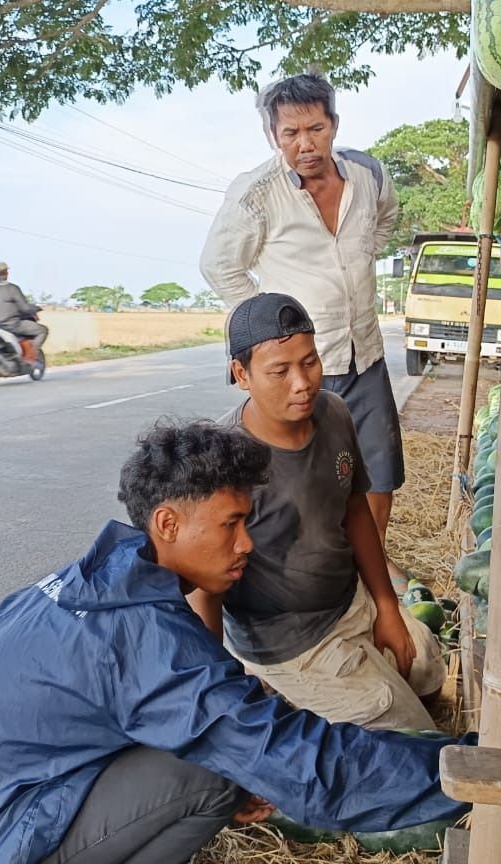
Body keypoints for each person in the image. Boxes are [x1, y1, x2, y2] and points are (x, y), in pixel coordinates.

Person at [0, 421, 501, 864]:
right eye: (230, 524)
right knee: (214, 776)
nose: (247, 543)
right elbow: (318, 771)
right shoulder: (140, 635)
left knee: (222, 756)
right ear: (167, 525)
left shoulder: (93, 580)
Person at [189, 292, 441, 731]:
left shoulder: (334, 412)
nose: (302, 383)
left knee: (427, 670)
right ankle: (282, 694)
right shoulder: (222, 463)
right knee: (415, 739)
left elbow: (355, 509)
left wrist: (386, 606)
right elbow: (203, 589)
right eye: (279, 371)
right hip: (292, 645)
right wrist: (218, 690)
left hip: (350, 603)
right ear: (241, 374)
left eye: (309, 362)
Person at [199, 73, 411, 590]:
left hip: (364, 352)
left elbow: (386, 219)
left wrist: (362, 254)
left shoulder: (369, 175)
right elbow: (219, 266)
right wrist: (267, 328)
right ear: (272, 135)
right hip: (305, 364)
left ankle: (372, 565)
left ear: (334, 124)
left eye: (315, 129)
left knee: (379, 469)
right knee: (304, 478)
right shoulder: (256, 194)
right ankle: (314, 572)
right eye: (290, 133)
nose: (305, 144)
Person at [0, 261, 48, 357]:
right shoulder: (12, 288)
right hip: (12, 325)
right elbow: (24, 308)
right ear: (7, 272)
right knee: (43, 330)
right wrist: (36, 308)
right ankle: (30, 356)